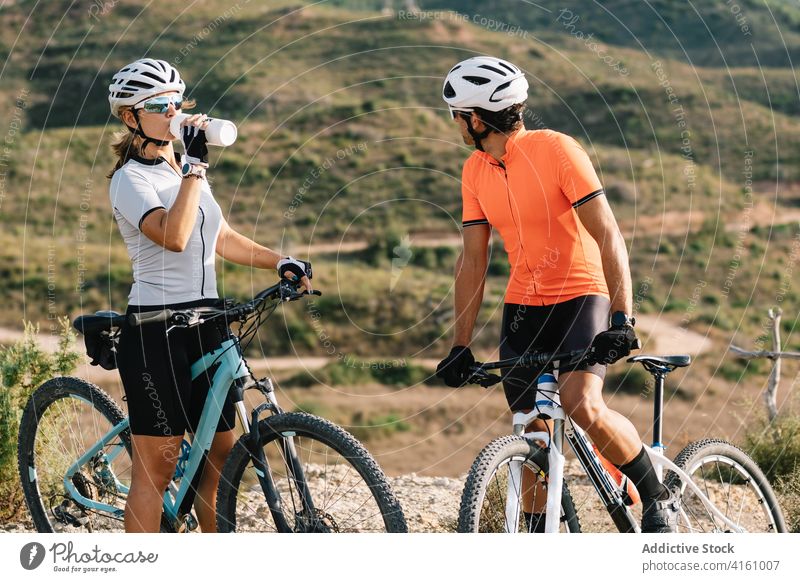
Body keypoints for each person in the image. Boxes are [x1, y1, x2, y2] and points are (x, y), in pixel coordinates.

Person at [435, 56, 678, 533]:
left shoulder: (556, 150)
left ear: (476, 119)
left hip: (581, 292)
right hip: (524, 304)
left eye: (457, 115)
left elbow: (608, 234)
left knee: (581, 403)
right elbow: (473, 263)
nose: (455, 124)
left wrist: (622, 318)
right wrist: (459, 345)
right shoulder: (474, 170)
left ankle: (656, 494)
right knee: (529, 426)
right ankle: (532, 537)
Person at [106, 58, 312, 532]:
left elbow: (218, 236)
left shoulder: (182, 169)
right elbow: (174, 237)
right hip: (157, 330)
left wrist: (279, 259)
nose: (172, 112)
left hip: (208, 322)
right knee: (157, 465)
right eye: (158, 105)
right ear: (129, 116)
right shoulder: (130, 180)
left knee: (219, 456)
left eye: (176, 103)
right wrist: (195, 168)